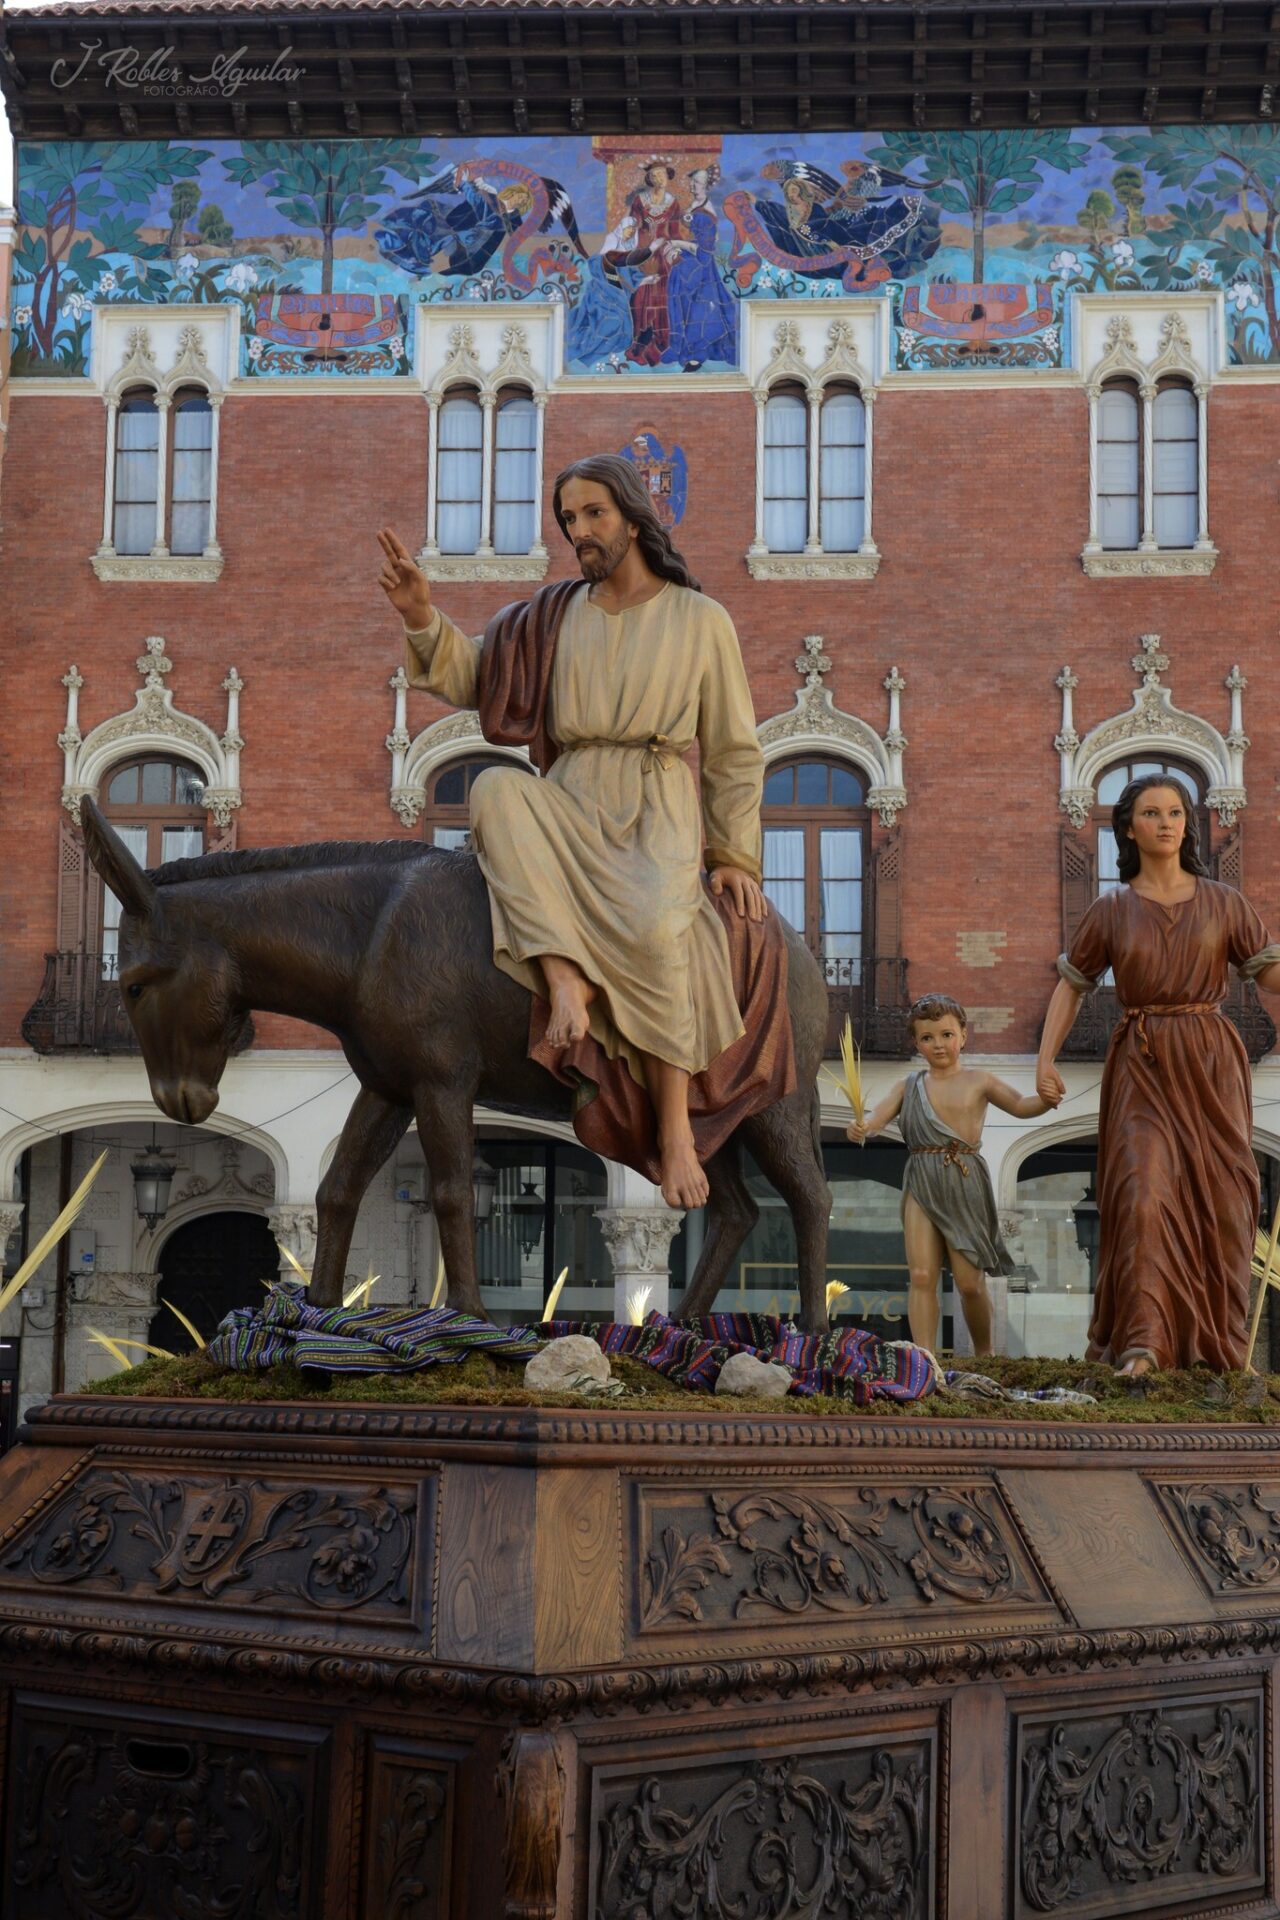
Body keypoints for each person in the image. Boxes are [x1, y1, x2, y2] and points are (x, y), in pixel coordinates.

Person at [376, 453, 767, 1212]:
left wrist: (733, 856)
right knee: (495, 788)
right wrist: (421, 615)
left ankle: (676, 1131)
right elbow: (477, 679)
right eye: (568, 519)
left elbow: (732, 750)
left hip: (655, 804)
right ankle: (564, 977)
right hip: (572, 790)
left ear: (633, 518)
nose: (578, 530)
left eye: (593, 514)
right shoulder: (551, 616)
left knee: (659, 928)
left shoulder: (701, 620)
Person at [1037, 774, 1280, 1376]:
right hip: (1141, 1064)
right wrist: (1044, 1059)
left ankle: (1219, 1350)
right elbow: (1072, 986)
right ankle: (1143, 1344)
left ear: (1187, 824)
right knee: (1143, 1194)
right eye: (1151, 813)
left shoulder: (1225, 902)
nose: (1166, 823)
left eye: (1175, 812)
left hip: (1211, 1063)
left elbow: (1268, 974)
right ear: (1127, 828)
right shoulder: (1111, 909)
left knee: (1226, 1206)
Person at [849, 994, 1056, 1355]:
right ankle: (924, 1358)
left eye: (946, 1035)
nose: (938, 1044)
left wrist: (1046, 1099)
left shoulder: (980, 1081)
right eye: (927, 1038)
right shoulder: (909, 1085)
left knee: (970, 1282)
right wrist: (861, 1127)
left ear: (963, 1035)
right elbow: (875, 1119)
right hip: (922, 1181)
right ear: (916, 1043)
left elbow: (1022, 1105)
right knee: (921, 1276)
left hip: (964, 1180)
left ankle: (985, 1353)